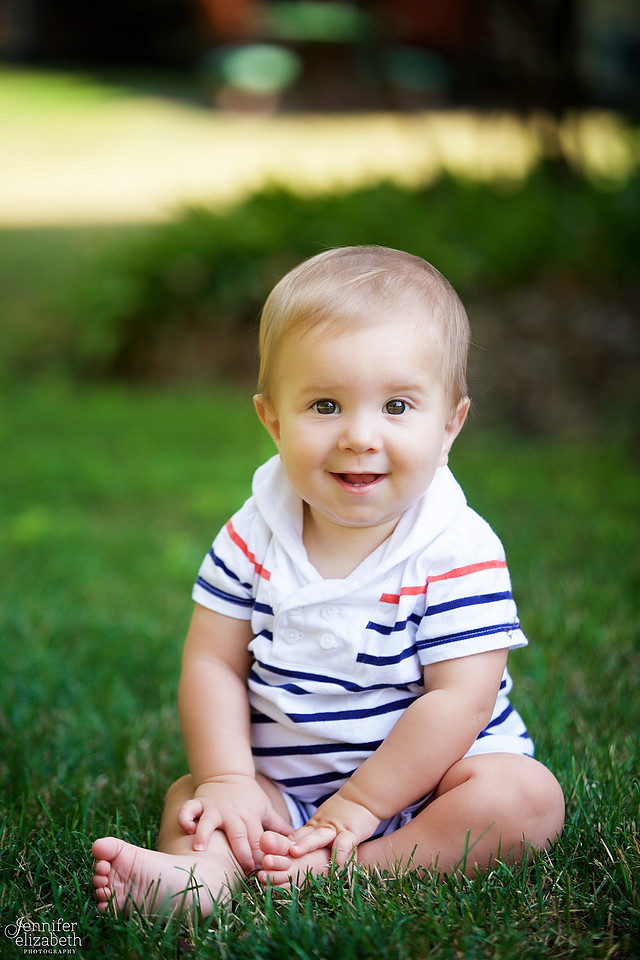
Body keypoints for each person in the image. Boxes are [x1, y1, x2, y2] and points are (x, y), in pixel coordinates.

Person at [91, 246, 564, 916]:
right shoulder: (253, 536)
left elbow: (459, 699)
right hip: (285, 784)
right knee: (194, 796)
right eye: (325, 405)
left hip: (431, 786)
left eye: (398, 405)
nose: (359, 436)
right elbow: (211, 662)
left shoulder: (457, 549)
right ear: (273, 421)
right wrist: (228, 778)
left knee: (526, 798)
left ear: (450, 425)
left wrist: (359, 810)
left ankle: (365, 868)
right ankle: (201, 881)